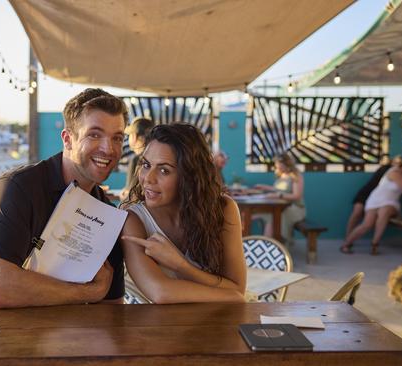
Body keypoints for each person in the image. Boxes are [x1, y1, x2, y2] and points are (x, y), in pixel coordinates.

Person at [0, 88, 127, 308]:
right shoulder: (17, 188)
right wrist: (89, 292)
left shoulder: (108, 215)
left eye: (117, 138)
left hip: (68, 338)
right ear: (68, 139)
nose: (108, 148)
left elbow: (113, 306)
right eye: (94, 134)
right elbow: (1, 288)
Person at [120, 123, 246, 303]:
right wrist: (229, 295)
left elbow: (238, 289)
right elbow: (161, 292)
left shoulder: (223, 209)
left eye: (164, 170)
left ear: (189, 176)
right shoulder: (132, 220)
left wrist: (180, 265)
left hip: (216, 323)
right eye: (146, 165)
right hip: (159, 327)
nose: (148, 178)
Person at [340, 158, 402, 255]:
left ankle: (375, 244)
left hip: (391, 202)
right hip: (375, 200)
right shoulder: (395, 172)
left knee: (384, 212)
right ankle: (346, 244)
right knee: (367, 224)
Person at [345, 155, 402, 237]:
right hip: (366, 194)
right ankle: (348, 236)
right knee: (357, 213)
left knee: (369, 221)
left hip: (377, 198)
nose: (398, 164)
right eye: (397, 162)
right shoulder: (388, 170)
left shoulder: (399, 173)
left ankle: (350, 239)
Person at [254, 153, 305, 241]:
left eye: (279, 164)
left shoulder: (296, 175)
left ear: (286, 164)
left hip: (294, 208)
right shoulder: (282, 175)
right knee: (255, 214)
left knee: (274, 216)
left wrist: (278, 196)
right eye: (277, 164)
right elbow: (278, 189)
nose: (277, 167)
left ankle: (269, 245)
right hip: (280, 206)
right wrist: (265, 187)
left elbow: (297, 196)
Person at [120, 117, 155, 200]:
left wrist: (124, 194)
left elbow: (130, 194)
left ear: (134, 136)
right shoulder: (157, 158)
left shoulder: (137, 160)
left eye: (129, 135)